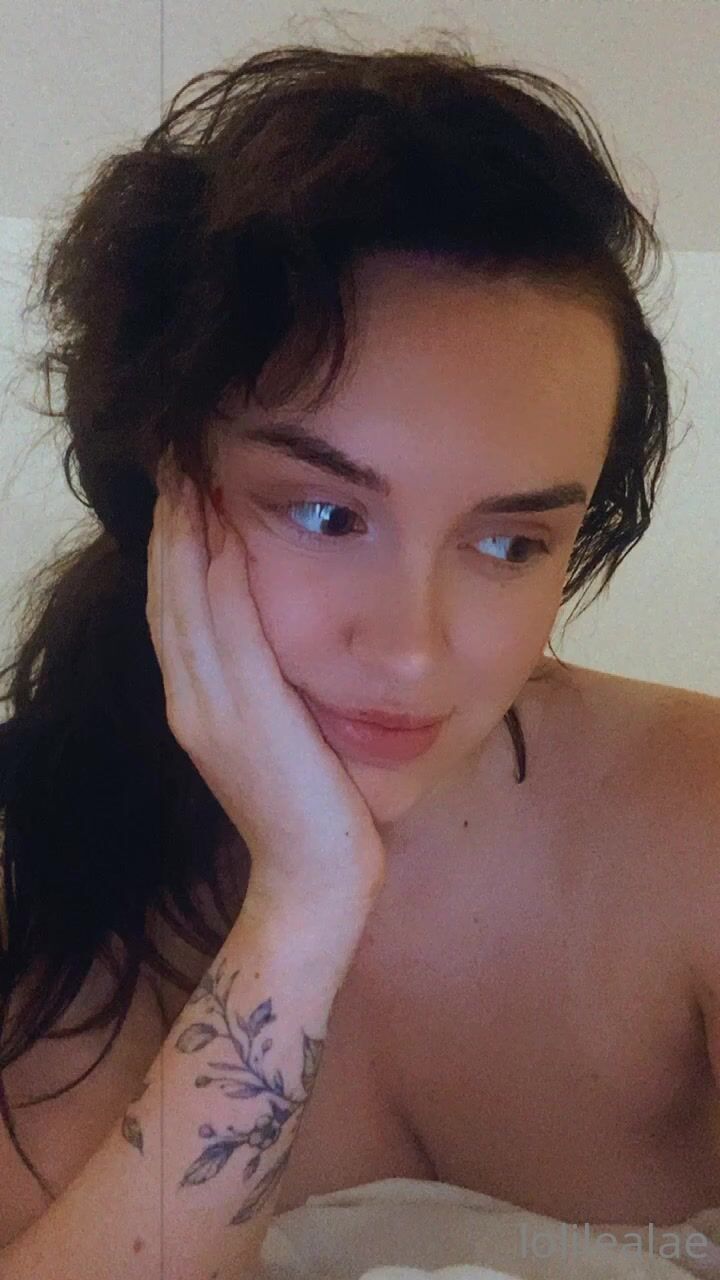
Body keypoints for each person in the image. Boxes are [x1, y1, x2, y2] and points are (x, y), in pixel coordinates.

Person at [0, 34, 719, 1279]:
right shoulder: (47, 869)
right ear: (162, 483)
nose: (411, 650)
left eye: (510, 541)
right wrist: (303, 902)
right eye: (328, 514)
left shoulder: (696, 813)